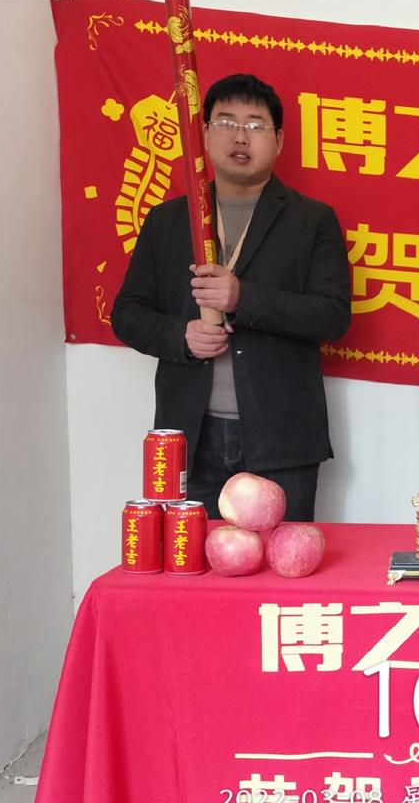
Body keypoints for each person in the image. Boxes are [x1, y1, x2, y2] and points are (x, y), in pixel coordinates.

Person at [112, 74, 351, 521]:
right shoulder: (167, 221)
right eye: (226, 122)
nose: (241, 137)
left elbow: (333, 315)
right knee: (190, 563)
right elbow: (126, 313)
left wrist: (244, 298)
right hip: (188, 438)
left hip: (283, 442)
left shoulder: (312, 221)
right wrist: (181, 336)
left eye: (256, 125)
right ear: (204, 134)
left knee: (283, 562)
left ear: (279, 140)